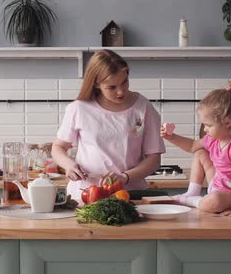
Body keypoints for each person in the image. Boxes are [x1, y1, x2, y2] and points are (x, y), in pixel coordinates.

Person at [52, 49, 165, 200]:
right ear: (97, 84)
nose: (121, 91)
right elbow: (58, 147)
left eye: (124, 82)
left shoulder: (143, 107)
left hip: (129, 195)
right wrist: (69, 165)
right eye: (112, 87)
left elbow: (154, 159)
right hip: (85, 194)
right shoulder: (79, 108)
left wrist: (125, 177)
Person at [161, 79, 231, 217]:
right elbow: (193, 146)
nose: (205, 129)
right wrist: (171, 137)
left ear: (227, 122)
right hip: (217, 184)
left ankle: (191, 201)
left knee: (212, 202)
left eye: (208, 125)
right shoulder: (214, 139)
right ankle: (192, 192)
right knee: (200, 153)